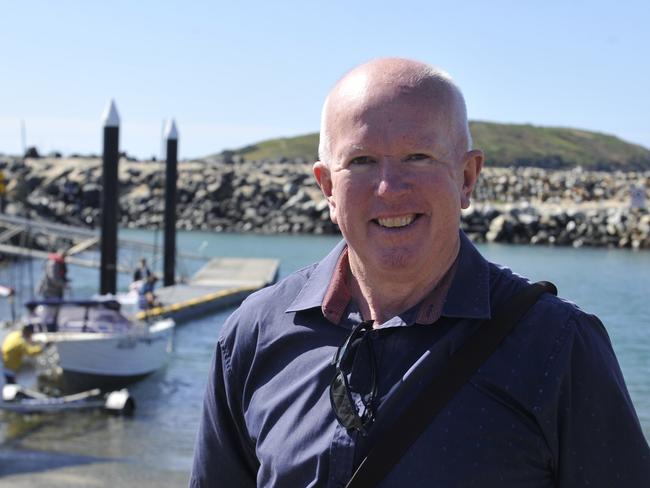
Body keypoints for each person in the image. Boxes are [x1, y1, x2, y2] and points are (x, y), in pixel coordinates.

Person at [190, 59, 650, 487]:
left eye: (418, 157)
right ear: (328, 187)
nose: (390, 189)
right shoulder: (255, 334)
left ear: (467, 177)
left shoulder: (557, 346)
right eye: (362, 161)